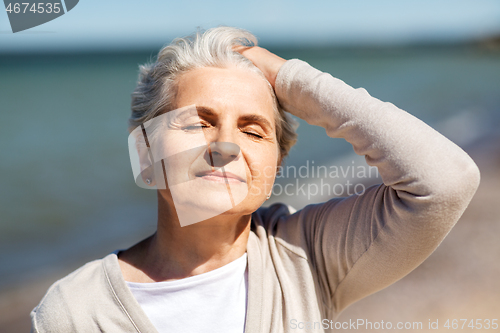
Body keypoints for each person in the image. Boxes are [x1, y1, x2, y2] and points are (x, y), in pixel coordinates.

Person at [30, 26, 480, 333]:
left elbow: (445, 180)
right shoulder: (74, 310)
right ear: (145, 151)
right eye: (198, 122)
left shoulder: (304, 258)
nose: (226, 145)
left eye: (252, 130)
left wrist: (290, 78)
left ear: (277, 164)